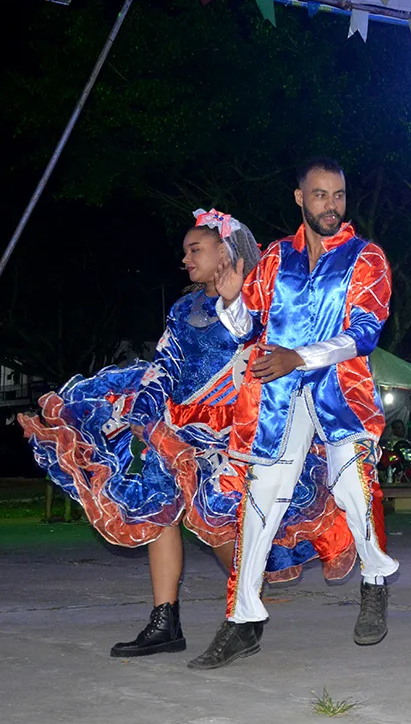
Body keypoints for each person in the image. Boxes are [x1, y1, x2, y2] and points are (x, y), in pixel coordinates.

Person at [20, 210, 354, 657]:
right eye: (184, 251)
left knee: (217, 524)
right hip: (176, 427)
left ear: (225, 252)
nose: (185, 259)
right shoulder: (183, 309)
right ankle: (165, 622)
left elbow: (266, 347)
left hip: (232, 432)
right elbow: (167, 364)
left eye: (194, 249)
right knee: (158, 508)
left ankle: (244, 610)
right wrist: (141, 409)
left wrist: (239, 303)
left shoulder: (261, 304)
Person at [188, 158, 401, 669]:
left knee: (352, 488)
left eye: (340, 195)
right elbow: (246, 328)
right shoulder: (275, 257)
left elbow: (365, 334)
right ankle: (243, 620)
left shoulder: (364, 257)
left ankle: (374, 580)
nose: (332, 205)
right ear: (299, 198)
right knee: (261, 502)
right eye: (321, 195)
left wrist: (298, 357)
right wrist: (232, 299)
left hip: (339, 394)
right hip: (278, 400)